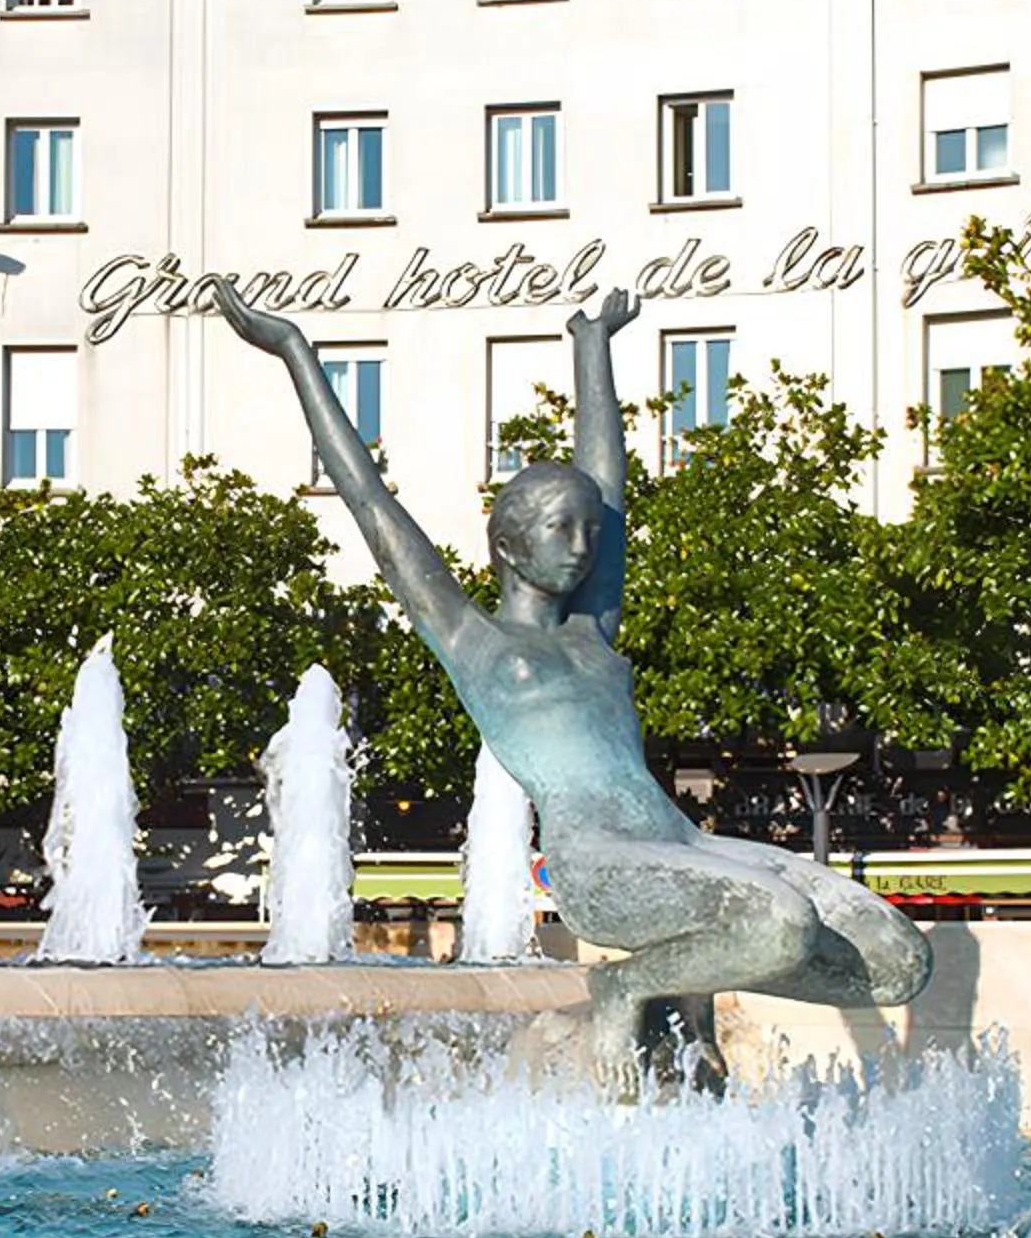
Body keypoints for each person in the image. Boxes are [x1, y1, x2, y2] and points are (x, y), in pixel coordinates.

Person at [215, 285, 931, 1085]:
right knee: (781, 921)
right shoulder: (473, 638)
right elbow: (369, 500)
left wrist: (593, 344)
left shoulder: (593, 630)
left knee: (899, 961)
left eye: (590, 531)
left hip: (681, 845)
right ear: (509, 543)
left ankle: (679, 981)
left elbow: (608, 484)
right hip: (596, 863)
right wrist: (296, 352)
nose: (584, 546)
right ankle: (626, 987)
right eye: (562, 528)